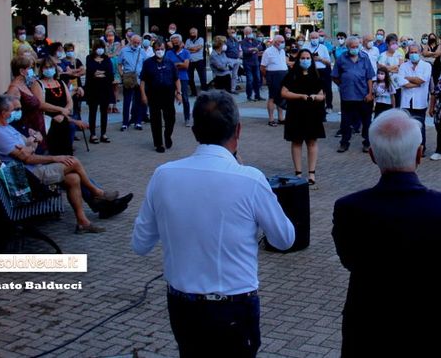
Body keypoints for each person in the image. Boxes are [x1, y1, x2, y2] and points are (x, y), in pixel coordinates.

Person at [131, 91, 295, 357]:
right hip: (234, 306)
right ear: (238, 130)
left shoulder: (163, 175)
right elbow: (284, 239)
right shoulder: (250, 179)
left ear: (194, 130)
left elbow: (140, 244)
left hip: (182, 305)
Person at [332, 110, 441, 357]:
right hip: (436, 323)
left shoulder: (349, 208)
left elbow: (349, 260)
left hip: (369, 325)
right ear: (419, 154)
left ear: (372, 156)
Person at [0, 94, 132, 233]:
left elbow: (31, 145)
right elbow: (27, 157)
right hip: (28, 177)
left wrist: (30, 145)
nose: (18, 112)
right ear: (3, 113)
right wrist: (53, 157)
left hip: (32, 169)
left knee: (73, 178)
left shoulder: (6, 127)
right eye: (15, 110)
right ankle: (98, 193)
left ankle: (83, 222)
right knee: (73, 161)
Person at [280, 49, 325, 186]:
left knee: (312, 142)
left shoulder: (316, 75)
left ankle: (312, 173)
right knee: (297, 142)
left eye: (308, 58)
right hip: (296, 112)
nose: (305, 60)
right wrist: (300, 96)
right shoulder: (292, 75)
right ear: (298, 60)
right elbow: (284, 93)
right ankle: (298, 173)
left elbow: (322, 95)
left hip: (312, 112)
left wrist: (316, 97)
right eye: (303, 58)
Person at [36, 56, 89, 156]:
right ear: (42, 69)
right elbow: (41, 104)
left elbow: (69, 101)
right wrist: (61, 110)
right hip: (49, 123)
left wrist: (64, 113)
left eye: (51, 67)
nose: (49, 69)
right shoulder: (38, 84)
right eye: (46, 67)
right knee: (53, 154)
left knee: (67, 153)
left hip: (64, 121)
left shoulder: (61, 83)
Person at [333, 37, 375, 153]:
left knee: (366, 121)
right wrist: (343, 85)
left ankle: (367, 143)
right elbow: (335, 76)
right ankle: (344, 143)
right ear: (347, 47)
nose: (355, 48)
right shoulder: (341, 58)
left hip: (364, 96)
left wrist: (370, 93)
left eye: (357, 46)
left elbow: (369, 77)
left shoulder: (364, 57)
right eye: (353, 47)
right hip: (348, 96)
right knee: (346, 122)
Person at [140, 40, 182, 153]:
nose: (160, 51)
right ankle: (159, 143)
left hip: (168, 94)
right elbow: (142, 81)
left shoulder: (170, 62)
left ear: (165, 49)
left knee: (170, 118)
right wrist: (143, 95)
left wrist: (179, 93)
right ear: (154, 50)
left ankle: (167, 135)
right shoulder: (148, 63)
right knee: (155, 120)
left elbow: (176, 79)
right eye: (157, 49)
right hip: (153, 95)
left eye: (162, 49)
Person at [6, 55, 47, 152]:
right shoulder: (14, 89)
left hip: (37, 129)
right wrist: (26, 131)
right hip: (29, 133)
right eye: (29, 68)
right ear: (21, 71)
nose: (32, 71)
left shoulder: (25, 85)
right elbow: (12, 115)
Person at [398, 43, 433, 148]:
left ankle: (421, 147)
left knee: (419, 125)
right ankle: (409, 147)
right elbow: (401, 82)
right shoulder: (404, 66)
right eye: (411, 52)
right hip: (406, 102)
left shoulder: (426, 66)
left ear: (420, 53)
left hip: (420, 101)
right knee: (406, 126)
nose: (413, 54)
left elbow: (423, 80)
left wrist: (408, 78)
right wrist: (416, 83)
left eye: (415, 52)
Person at [84, 39, 114, 144]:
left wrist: (99, 73)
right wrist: (98, 73)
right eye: (98, 48)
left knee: (104, 112)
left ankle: (103, 133)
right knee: (92, 112)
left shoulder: (106, 59)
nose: (100, 50)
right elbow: (91, 72)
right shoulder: (89, 58)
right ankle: (92, 134)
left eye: (102, 48)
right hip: (92, 89)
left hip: (105, 88)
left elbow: (110, 73)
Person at [118, 34, 148, 132]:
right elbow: (119, 64)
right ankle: (125, 123)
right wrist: (122, 75)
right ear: (131, 41)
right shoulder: (124, 51)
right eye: (135, 42)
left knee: (138, 101)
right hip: (128, 79)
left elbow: (146, 64)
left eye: (138, 43)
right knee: (127, 101)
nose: (136, 44)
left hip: (139, 79)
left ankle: (138, 122)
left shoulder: (142, 51)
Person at [261, 35, 289, 127]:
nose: (283, 43)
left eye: (283, 41)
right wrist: (266, 77)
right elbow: (263, 67)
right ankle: (271, 119)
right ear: (275, 42)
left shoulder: (282, 51)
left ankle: (281, 118)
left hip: (283, 74)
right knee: (272, 97)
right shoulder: (268, 51)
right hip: (273, 75)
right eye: (281, 42)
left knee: (281, 96)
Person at [166, 35, 193, 127]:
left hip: (183, 77)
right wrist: (179, 64)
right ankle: (170, 118)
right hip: (171, 78)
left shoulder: (186, 52)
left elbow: (186, 66)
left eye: (176, 42)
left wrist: (175, 64)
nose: (175, 44)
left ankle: (187, 118)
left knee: (185, 98)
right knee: (170, 99)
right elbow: (168, 66)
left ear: (181, 42)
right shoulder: (168, 53)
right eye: (173, 42)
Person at [304, 31, 334, 113]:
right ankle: (313, 105)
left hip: (323, 70)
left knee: (327, 88)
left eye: (316, 38)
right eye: (313, 38)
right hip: (311, 70)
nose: (314, 39)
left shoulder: (323, 47)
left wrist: (320, 59)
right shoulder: (305, 47)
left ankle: (329, 105)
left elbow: (328, 62)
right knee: (312, 88)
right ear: (310, 38)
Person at [59, 43, 85, 120]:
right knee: (69, 103)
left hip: (77, 84)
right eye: (68, 51)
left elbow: (83, 71)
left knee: (78, 104)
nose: (70, 52)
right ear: (65, 51)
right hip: (67, 85)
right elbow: (67, 72)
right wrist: (76, 71)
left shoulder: (77, 60)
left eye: (71, 50)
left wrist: (74, 73)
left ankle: (78, 120)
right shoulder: (62, 61)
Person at [240, 27, 264, 102]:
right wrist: (254, 49)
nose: (250, 33)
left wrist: (252, 49)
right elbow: (245, 51)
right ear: (245, 33)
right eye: (248, 32)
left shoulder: (255, 40)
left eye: (251, 32)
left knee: (257, 79)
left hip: (256, 62)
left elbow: (260, 47)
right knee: (250, 80)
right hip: (247, 63)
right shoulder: (243, 42)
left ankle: (257, 95)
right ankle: (249, 96)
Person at [104, 29, 123, 114]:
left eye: (111, 35)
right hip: (107, 68)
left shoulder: (117, 44)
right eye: (108, 36)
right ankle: (108, 105)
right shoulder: (104, 45)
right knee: (108, 87)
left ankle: (115, 106)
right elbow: (105, 55)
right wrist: (110, 55)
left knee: (116, 87)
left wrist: (110, 55)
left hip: (115, 67)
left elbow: (117, 53)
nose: (110, 37)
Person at [185, 27, 207, 97]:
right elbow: (186, 50)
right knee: (190, 78)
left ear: (197, 33)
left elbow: (198, 48)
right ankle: (193, 93)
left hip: (199, 61)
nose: (192, 34)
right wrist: (194, 49)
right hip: (190, 61)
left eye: (193, 32)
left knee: (202, 77)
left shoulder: (200, 39)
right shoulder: (188, 40)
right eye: (191, 33)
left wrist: (190, 49)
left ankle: (204, 93)